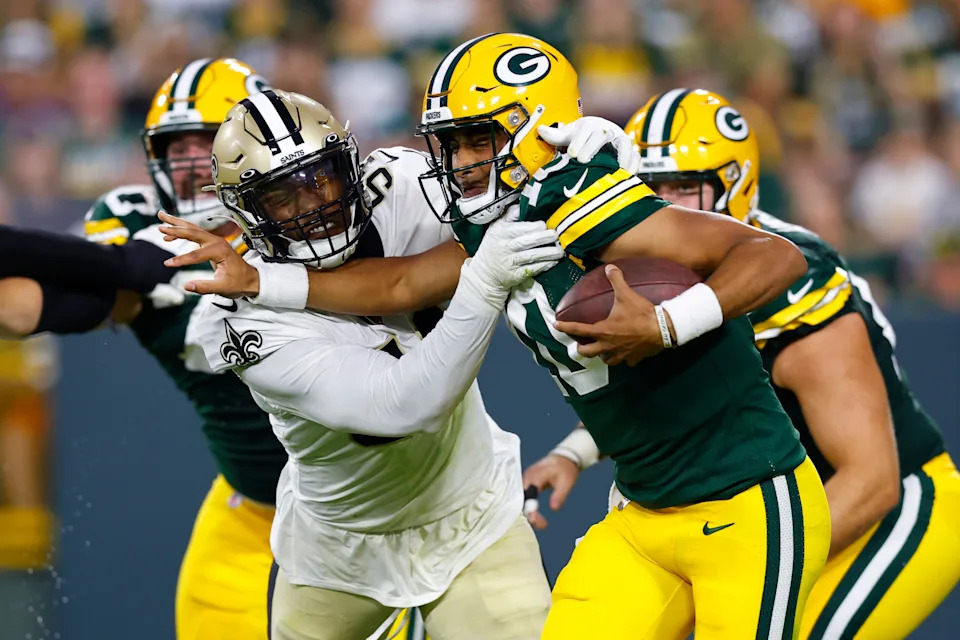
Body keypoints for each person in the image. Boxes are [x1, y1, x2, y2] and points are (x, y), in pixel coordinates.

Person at [163, 34, 829, 640]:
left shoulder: (580, 202)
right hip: (634, 510)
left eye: (479, 141)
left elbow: (776, 257)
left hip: (745, 497)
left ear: (537, 131)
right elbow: (399, 288)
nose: (461, 163)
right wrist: (261, 280)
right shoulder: (494, 223)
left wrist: (665, 322)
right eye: (450, 144)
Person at [526, 88, 960, 640]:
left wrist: (751, 564)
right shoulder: (653, 259)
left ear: (736, 184)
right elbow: (690, 392)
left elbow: (871, 479)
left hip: (888, 505)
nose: (666, 204)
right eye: (650, 188)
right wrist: (575, 453)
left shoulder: (791, 281)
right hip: (755, 509)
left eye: (685, 187)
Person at [191, 89, 566, 640]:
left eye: (321, 178)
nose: (314, 207)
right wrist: (482, 281)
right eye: (283, 198)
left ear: (351, 162)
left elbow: (527, 199)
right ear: (248, 214)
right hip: (337, 550)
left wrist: (586, 155)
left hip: (471, 514)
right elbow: (405, 405)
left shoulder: (406, 188)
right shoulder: (239, 318)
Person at [0, 59, 293, 640]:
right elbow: (48, 304)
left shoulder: (304, 214)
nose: (187, 164)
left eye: (204, 142)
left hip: (376, 502)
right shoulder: (136, 220)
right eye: (173, 147)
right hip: (253, 505)